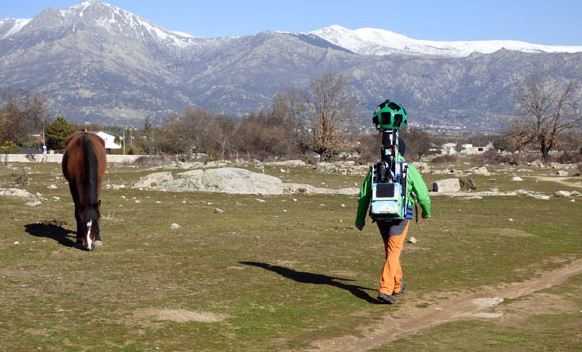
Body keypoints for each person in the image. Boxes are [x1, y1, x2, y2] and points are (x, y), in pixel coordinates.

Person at [355, 138, 431, 304]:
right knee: (394, 250)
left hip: (380, 215)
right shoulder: (409, 169)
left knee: (391, 250)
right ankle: (385, 290)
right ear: (402, 151)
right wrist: (426, 212)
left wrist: (360, 219)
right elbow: (423, 194)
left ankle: (397, 284)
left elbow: (364, 196)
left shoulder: (375, 169)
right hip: (401, 215)